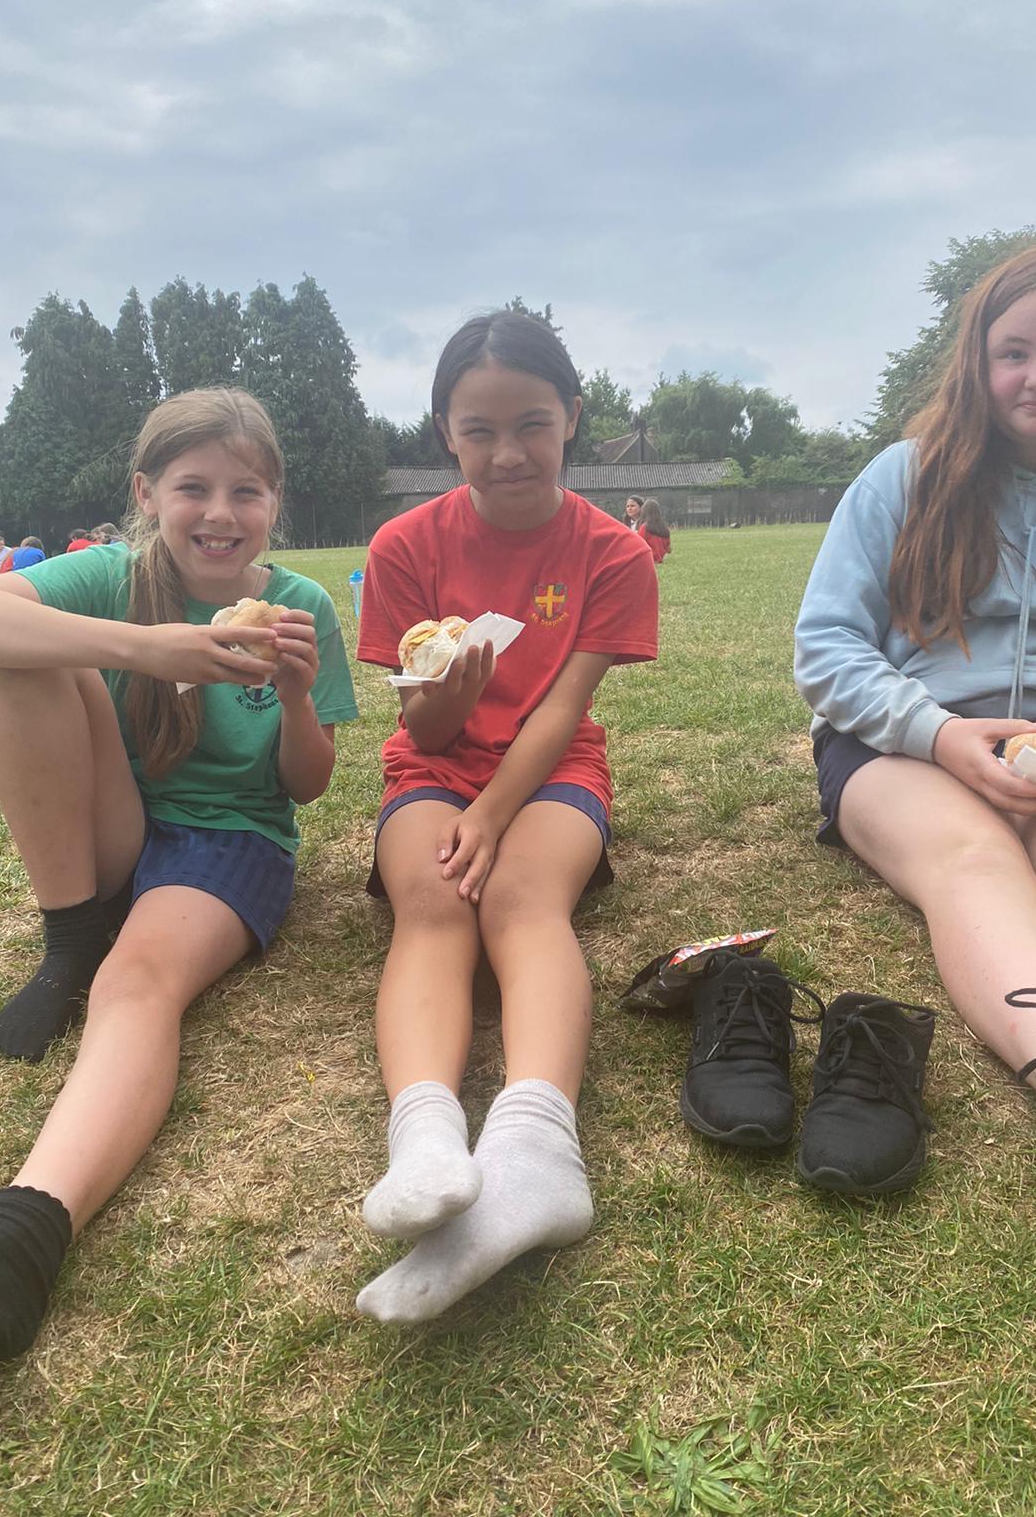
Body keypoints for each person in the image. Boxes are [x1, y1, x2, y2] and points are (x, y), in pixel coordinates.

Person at [0, 386, 358, 1362]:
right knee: (19, 660)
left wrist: (296, 696)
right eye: (194, 487)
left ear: (275, 502)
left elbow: (307, 786)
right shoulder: (116, 575)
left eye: (246, 491)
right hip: (122, 827)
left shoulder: (301, 606)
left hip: (229, 842)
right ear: (147, 493)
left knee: (136, 983)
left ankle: (26, 1221)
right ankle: (71, 934)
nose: (220, 513)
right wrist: (150, 647)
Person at [794, 244, 1036, 1237]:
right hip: (900, 748)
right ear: (978, 361)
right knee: (976, 862)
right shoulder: (901, 478)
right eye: (1015, 352)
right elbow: (825, 648)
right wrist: (943, 736)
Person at [355, 310, 658, 1323]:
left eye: (532, 423)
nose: (508, 453)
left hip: (552, 770)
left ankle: (536, 1151)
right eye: (478, 430)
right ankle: (426, 1139)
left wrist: (491, 812)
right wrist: (447, 700)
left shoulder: (613, 552)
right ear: (445, 431)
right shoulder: (404, 546)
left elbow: (564, 710)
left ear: (571, 415)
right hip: (433, 767)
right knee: (434, 903)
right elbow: (423, 729)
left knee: (522, 901)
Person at [636, 497, 671, 564]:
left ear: (644, 512)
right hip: (661, 560)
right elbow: (668, 549)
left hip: (649, 560)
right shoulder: (665, 528)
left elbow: (639, 545)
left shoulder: (644, 527)